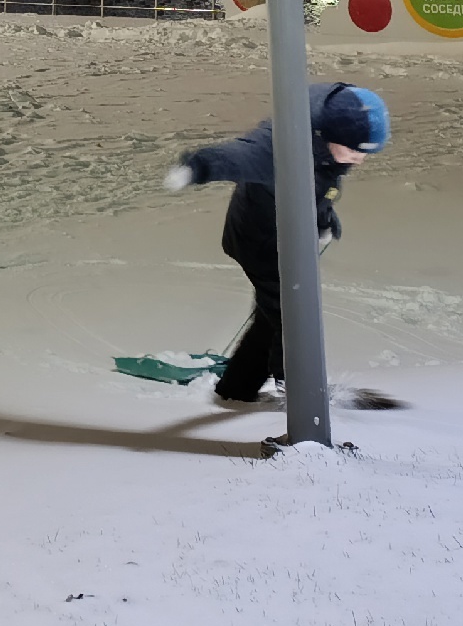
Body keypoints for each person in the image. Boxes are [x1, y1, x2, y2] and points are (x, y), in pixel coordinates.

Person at [164, 82, 391, 407]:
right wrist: (195, 168)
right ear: (330, 136)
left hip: (287, 234)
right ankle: (297, 388)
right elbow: (238, 154)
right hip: (261, 242)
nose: (359, 161)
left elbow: (319, 183)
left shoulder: (325, 138)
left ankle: (236, 388)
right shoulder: (280, 149)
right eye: (355, 152)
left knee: (273, 315)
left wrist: (323, 221)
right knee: (292, 311)